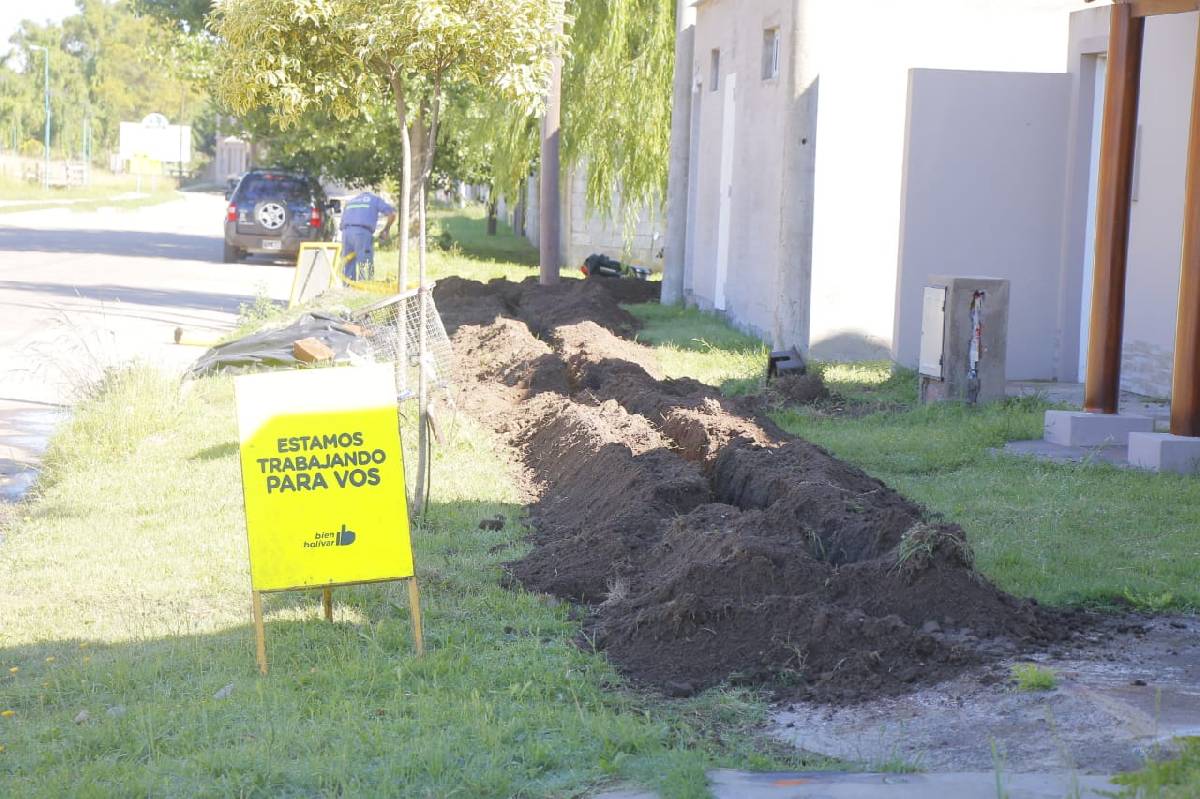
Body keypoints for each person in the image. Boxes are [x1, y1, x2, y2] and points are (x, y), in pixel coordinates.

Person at [339, 191, 397, 280]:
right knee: (365, 261)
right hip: (362, 233)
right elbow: (392, 214)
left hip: (346, 233)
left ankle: (348, 287)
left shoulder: (351, 201)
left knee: (348, 262)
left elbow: (341, 224)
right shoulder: (374, 200)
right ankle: (365, 286)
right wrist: (386, 229)